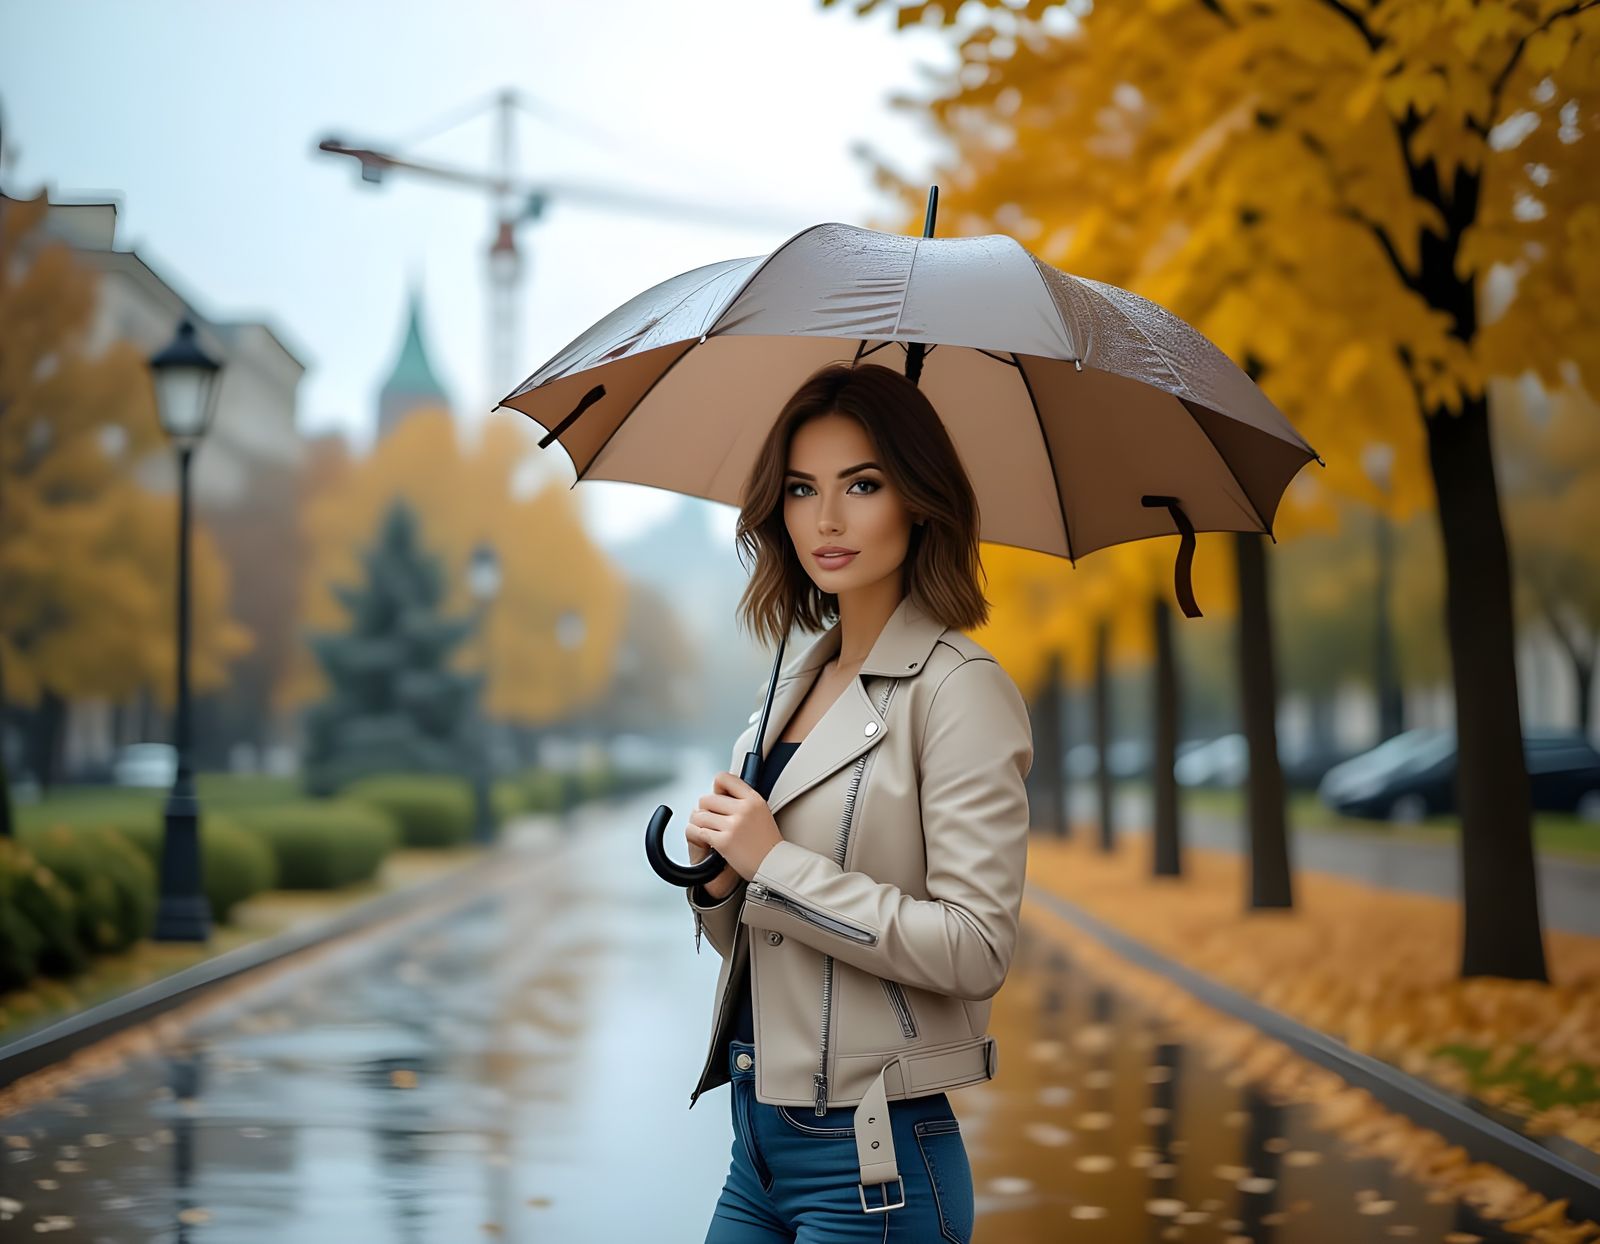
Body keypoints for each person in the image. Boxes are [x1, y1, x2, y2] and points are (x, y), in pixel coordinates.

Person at [683, 361, 1034, 1243]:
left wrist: (777, 863)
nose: (826, 519)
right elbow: (768, 939)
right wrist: (723, 885)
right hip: (755, 1147)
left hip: (875, 1161)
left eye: (863, 484)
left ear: (918, 501)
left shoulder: (960, 691)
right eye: (802, 489)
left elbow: (977, 945)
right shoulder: (790, 691)